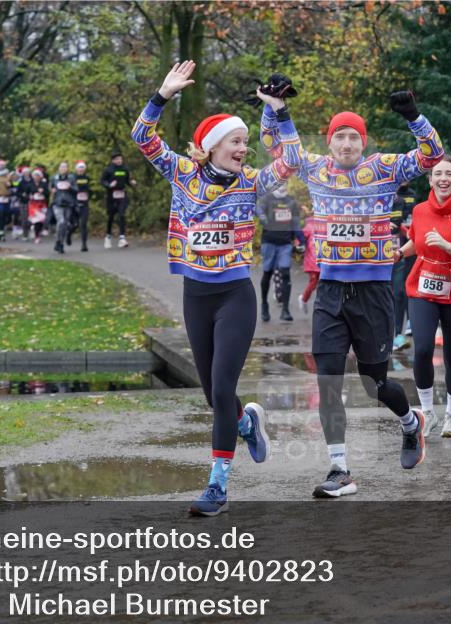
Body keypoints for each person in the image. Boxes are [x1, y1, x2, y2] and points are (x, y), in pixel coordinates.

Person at [131, 61, 300, 516]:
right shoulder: (183, 172)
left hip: (234, 296)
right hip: (195, 295)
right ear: (211, 146)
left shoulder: (250, 181)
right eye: (236, 141)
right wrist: (161, 96)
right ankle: (247, 422)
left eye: (246, 141)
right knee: (213, 396)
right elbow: (142, 138)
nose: (244, 148)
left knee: (223, 389)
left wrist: (279, 113)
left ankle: (217, 486)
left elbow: (293, 160)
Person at [261, 82, 444, 496]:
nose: (346, 143)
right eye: (339, 136)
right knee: (328, 381)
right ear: (330, 142)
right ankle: (339, 469)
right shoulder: (314, 168)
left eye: (353, 137)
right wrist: (276, 110)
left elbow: (433, 156)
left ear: (362, 141)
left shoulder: (383, 167)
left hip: (373, 291)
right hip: (330, 291)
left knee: (373, 383)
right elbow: (278, 148)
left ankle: (410, 423)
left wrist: (414, 117)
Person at [397, 156, 451, 438]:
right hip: (423, 287)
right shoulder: (420, 211)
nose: (443, 178)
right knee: (421, 349)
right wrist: (398, 253)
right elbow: (417, 240)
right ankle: (428, 412)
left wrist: (446, 245)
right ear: (430, 180)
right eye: (437, 174)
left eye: (449, 174)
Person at [258, 186, 303, 321]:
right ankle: (264, 305)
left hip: (285, 243)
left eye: (284, 183)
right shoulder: (267, 198)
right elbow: (258, 209)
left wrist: (302, 240)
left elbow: (295, 223)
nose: (282, 186)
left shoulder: (291, 201)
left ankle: (285, 310)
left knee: (285, 273)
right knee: (268, 273)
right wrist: (263, 218)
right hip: (269, 242)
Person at [391, 181, 417, 351]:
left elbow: (399, 222)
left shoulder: (404, 199)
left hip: (399, 249)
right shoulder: (372, 196)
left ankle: (398, 335)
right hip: (372, 253)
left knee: (400, 291)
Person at [101, 152, 136, 249]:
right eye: (117, 159)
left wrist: (132, 183)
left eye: (120, 159)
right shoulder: (108, 170)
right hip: (111, 197)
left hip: (122, 195)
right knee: (111, 217)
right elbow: (102, 181)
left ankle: (122, 238)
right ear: (113, 160)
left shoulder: (125, 169)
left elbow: (128, 180)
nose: (119, 160)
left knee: (121, 215)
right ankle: (108, 237)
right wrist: (108, 185)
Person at [51, 162, 77, 254]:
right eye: (61, 167)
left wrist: (70, 187)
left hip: (68, 204)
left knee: (65, 225)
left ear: (67, 168)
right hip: (57, 204)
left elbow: (76, 190)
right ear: (59, 168)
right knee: (60, 222)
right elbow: (50, 189)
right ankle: (58, 241)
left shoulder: (71, 178)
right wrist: (52, 191)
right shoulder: (54, 178)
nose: (63, 168)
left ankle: (60, 243)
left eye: (65, 167)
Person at [298, 217, 321, 314]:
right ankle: (303, 298)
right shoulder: (309, 226)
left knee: (322, 283)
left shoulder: (326, 225)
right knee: (313, 282)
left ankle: (321, 306)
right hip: (312, 261)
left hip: (322, 260)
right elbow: (300, 237)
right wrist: (299, 245)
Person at [72, 160, 92, 252]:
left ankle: (84, 244)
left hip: (85, 204)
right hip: (75, 204)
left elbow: (91, 190)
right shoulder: (73, 178)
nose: (81, 170)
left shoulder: (87, 177)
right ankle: (68, 235)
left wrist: (88, 193)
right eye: (79, 168)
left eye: (82, 168)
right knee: (74, 224)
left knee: (83, 224)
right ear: (76, 169)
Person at [26, 169, 50, 243]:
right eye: (35, 175)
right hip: (33, 204)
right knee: (36, 220)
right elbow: (26, 193)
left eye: (38, 175)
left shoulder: (44, 184)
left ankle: (37, 232)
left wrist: (43, 192)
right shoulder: (30, 184)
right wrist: (30, 195)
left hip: (42, 204)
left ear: (41, 177)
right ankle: (37, 236)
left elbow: (48, 193)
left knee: (41, 220)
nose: (36, 177)